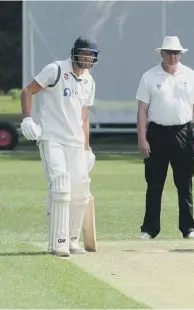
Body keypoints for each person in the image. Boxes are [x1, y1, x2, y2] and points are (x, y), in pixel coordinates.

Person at [20, 36, 98, 257]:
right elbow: (27, 91)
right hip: (52, 138)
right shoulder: (55, 70)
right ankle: (58, 242)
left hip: (75, 142)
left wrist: (87, 147)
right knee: (61, 186)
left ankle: (73, 240)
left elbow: (84, 118)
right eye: (84, 54)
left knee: (81, 189)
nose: (88, 58)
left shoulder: (89, 81)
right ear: (75, 53)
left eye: (91, 55)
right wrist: (27, 119)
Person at [135, 36, 194, 240]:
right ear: (162, 53)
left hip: (183, 133)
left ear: (181, 54)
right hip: (156, 132)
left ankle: (189, 228)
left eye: (176, 53)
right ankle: (149, 229)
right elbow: (142, 110)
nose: (172, 56)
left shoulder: (191, 76)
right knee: (155, 183)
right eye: (168, 52)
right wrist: (142, 139)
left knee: (185, 183)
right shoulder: (149, 76)